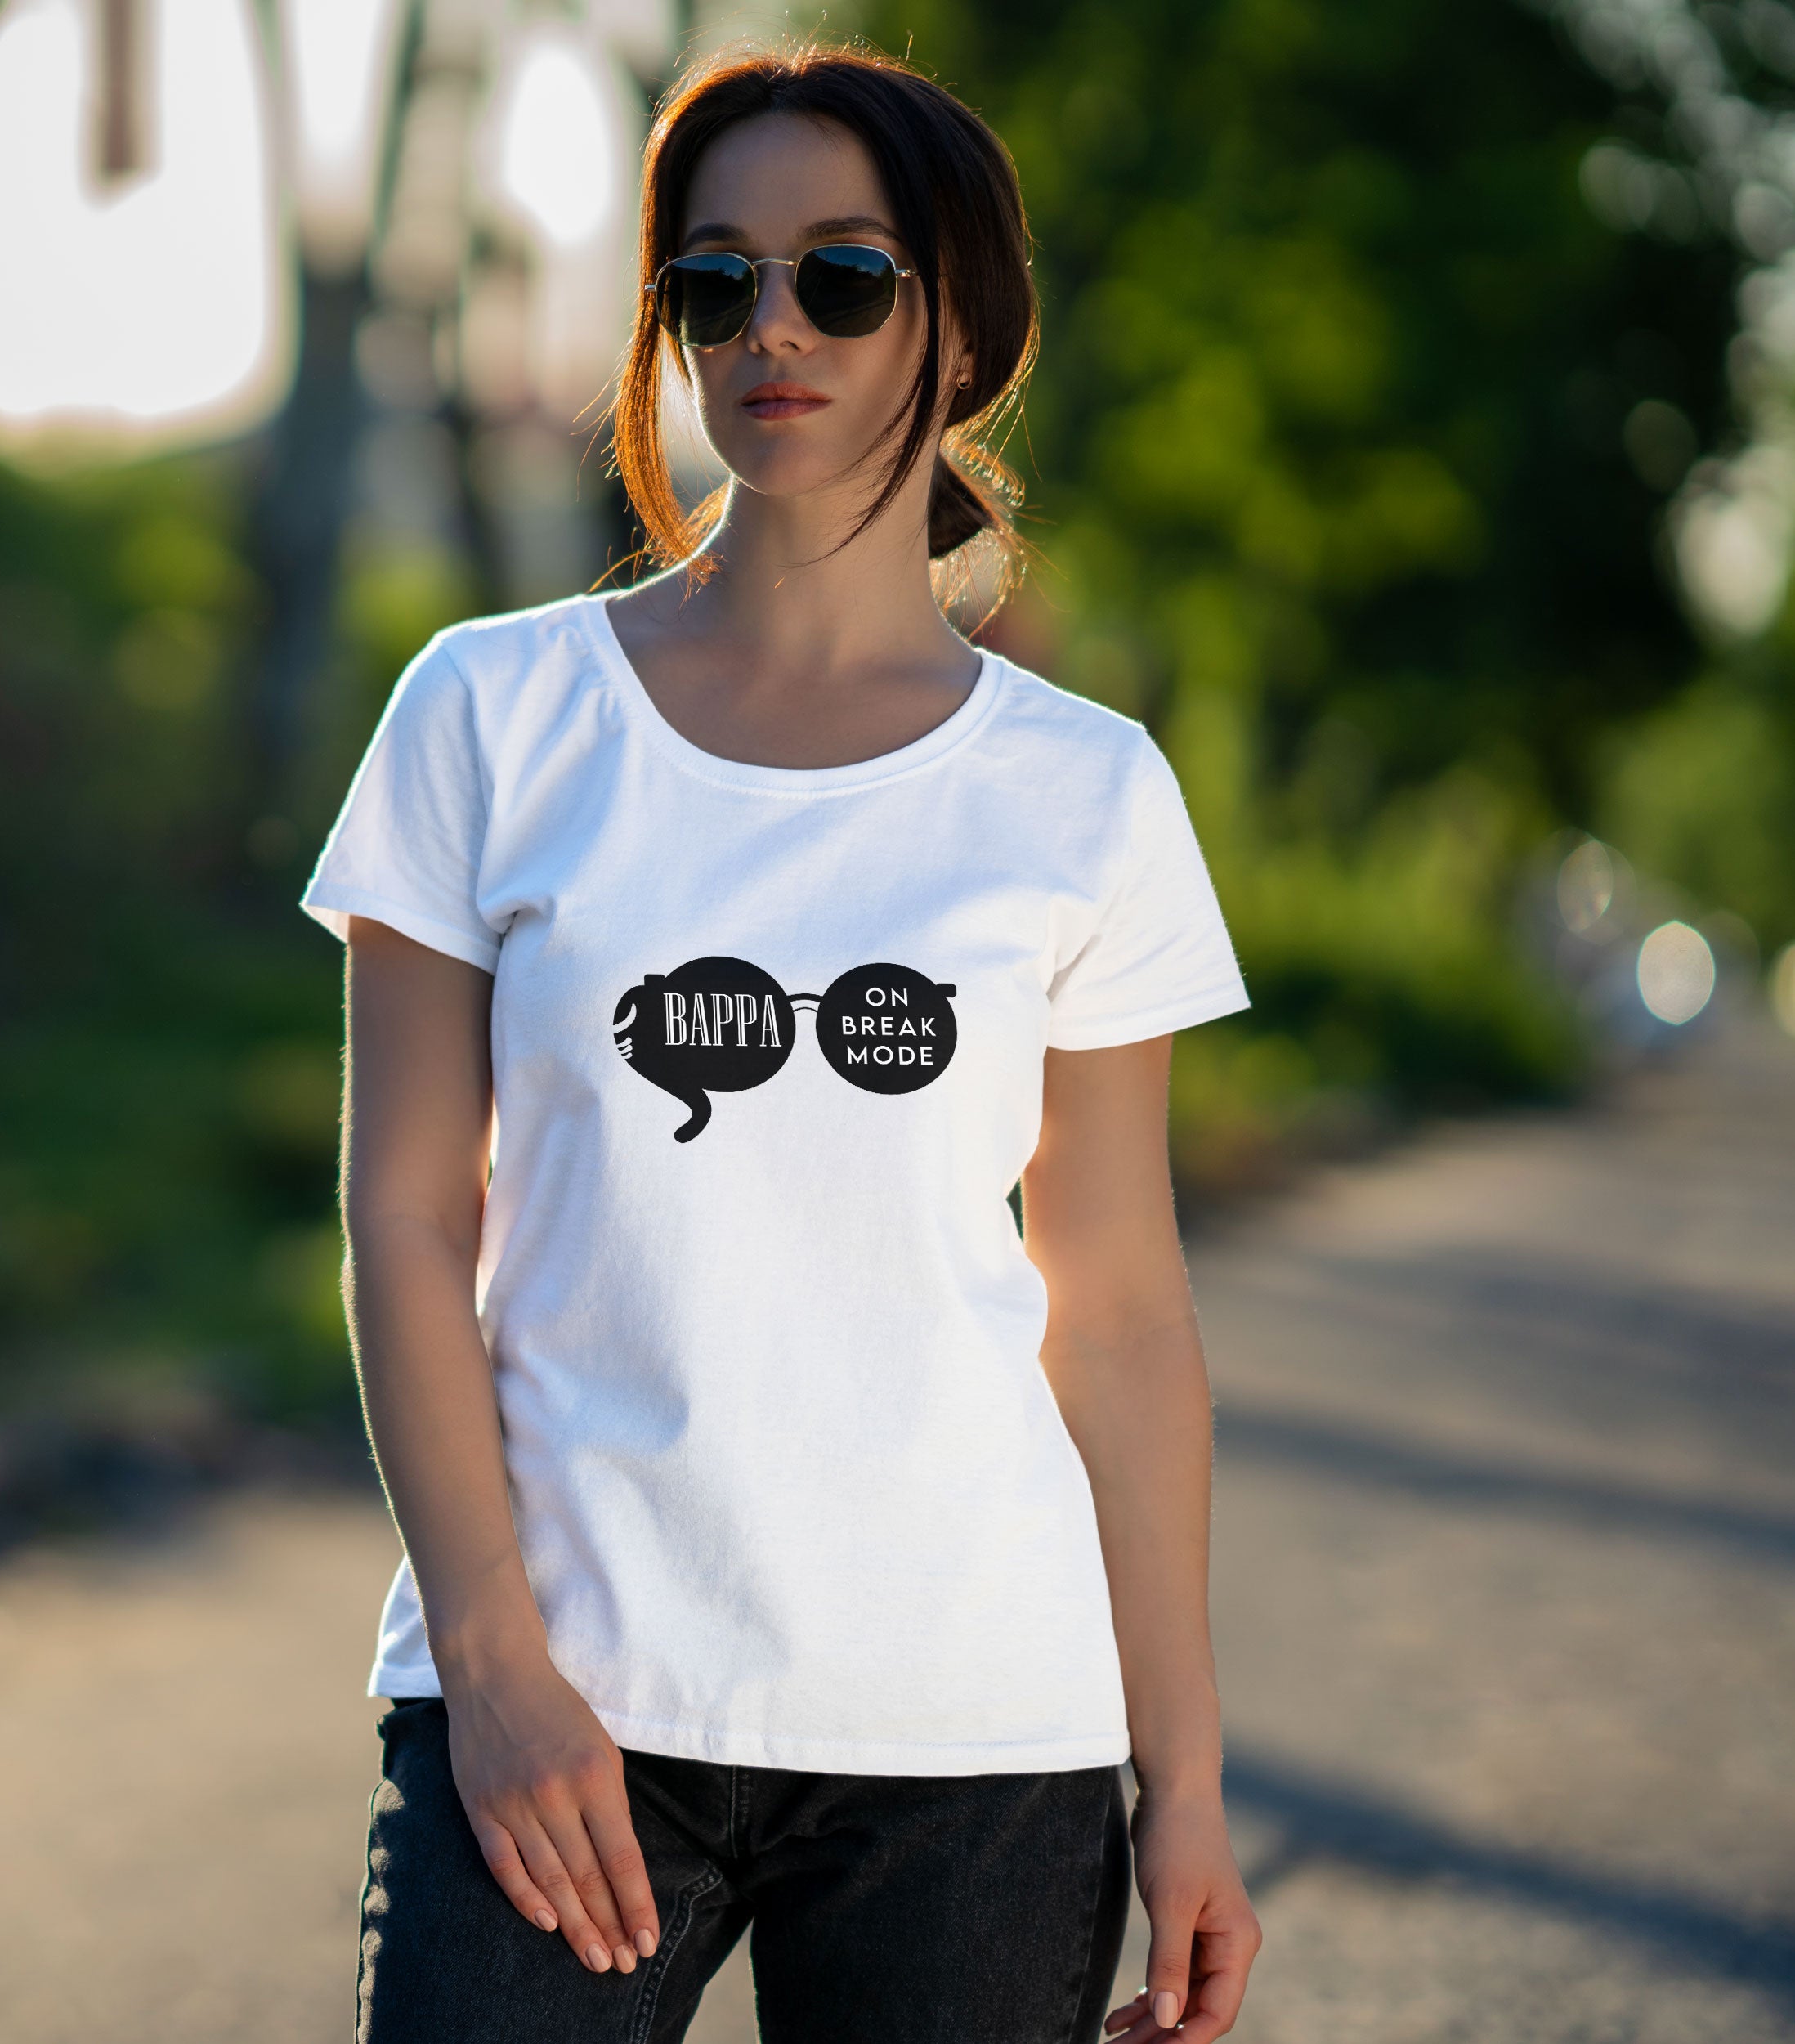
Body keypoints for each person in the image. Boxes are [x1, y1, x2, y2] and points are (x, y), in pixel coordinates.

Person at [299, 38, 1263, 2044]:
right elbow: (403, 1217)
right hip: (560, 1701)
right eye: (712, 282)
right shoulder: (488, 714)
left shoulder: (1086, 794)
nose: (771, 330)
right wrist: (486, 1660)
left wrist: (1184, 1783)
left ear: (960, 321)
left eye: (841, 276)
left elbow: (1124, 1311)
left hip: (973, 1734)